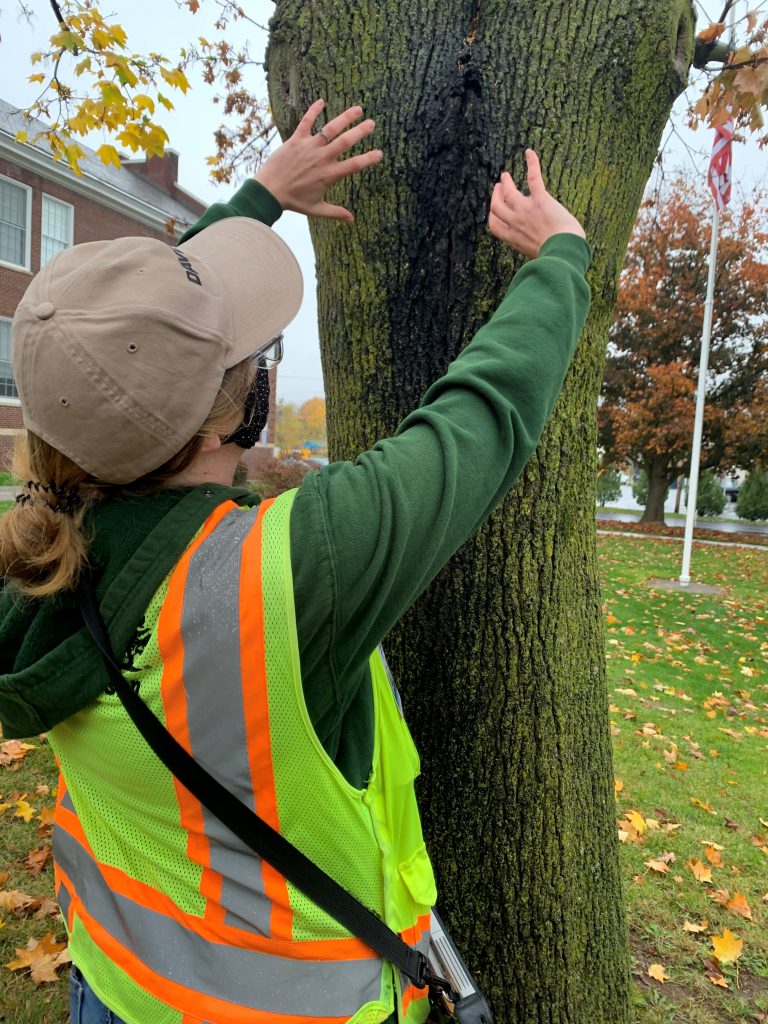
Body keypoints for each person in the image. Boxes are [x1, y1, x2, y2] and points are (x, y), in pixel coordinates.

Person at [0, 99, 589, 1024]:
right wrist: (562, 260)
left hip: (115, 984)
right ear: (235, 411)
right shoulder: (294, 567)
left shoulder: (36, 554)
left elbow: (107, 365)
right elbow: (479, 417)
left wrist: (258, 197)